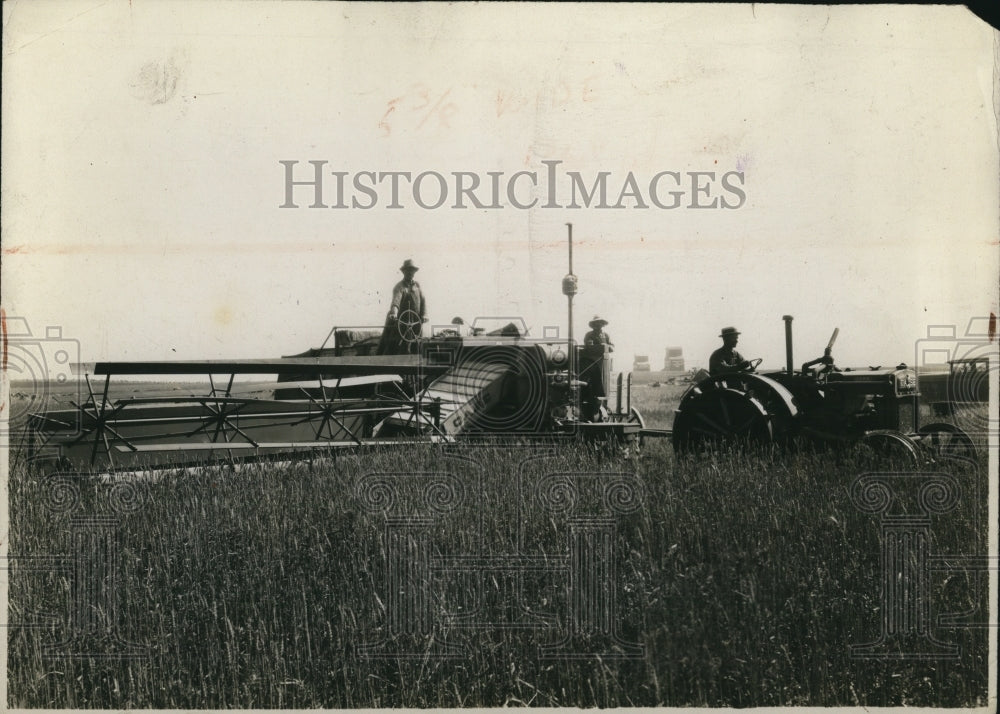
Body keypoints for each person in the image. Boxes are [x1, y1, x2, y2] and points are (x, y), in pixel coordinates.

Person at [376, 259, 427, 355]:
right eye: (408, 270)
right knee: (400, 346)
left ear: (414, 272)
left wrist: (424, 314)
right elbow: (396, 301)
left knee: (417, 345)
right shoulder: (399, 287)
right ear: (404, 272)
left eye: (412, 270)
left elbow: (423, 300)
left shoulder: (418, 286)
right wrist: (394, 312)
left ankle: (417, 365)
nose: (410, 272)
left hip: (416, 323)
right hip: (402, 323)